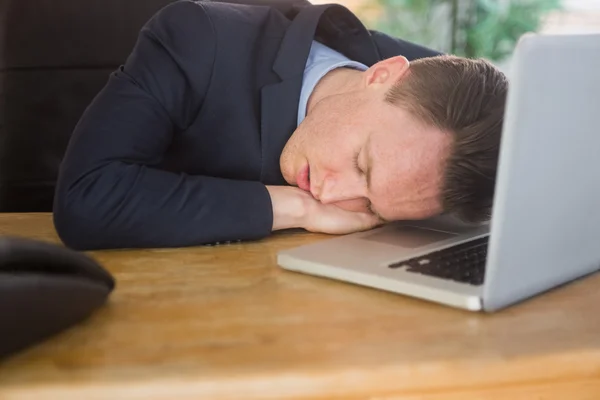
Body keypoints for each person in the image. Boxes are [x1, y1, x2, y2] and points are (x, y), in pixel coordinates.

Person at [53, 0, 508, 250]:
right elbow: (86, 199)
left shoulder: (443, 100)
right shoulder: (198, 39)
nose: (333, 196)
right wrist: (297, 209)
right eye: (361, 165)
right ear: (381, 74)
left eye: (370, 205)